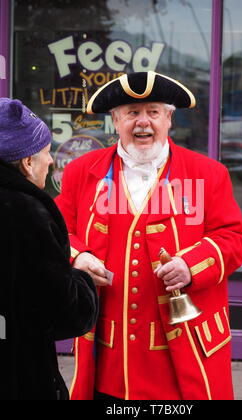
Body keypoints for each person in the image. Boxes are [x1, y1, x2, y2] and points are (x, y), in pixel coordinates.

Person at [56, 71, 242, 400]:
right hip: (109, 357)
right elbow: (59, 231)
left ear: (169, 119)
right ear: (115, 120)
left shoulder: (206, 173)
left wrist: (192, 266)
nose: (143, 123)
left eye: (153, 112)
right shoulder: (82, 172)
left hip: (183, 352)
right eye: (132, 112)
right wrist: (80, 256)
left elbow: (234, 237)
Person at [0, 98, 99, 400]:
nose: (52, 161)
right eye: (45, 153)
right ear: (27, 162)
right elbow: (63, 314)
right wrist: (82, 279)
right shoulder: (27, 213)